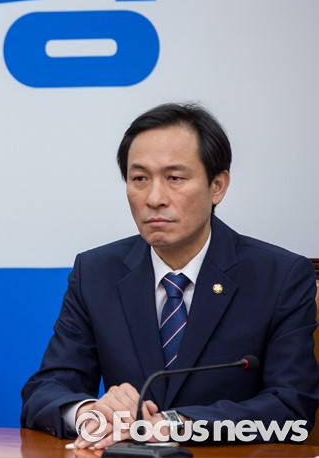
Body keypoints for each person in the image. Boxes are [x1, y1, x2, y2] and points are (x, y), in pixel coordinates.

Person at [20, 103, 318, 448]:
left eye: (175, 178)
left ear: (218, 185)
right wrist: (90, 413)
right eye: (139, 179)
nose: (154, 198)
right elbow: (45, 391)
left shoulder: (279, 277)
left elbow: (292, 409)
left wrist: (175, 425)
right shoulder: (96, 273)